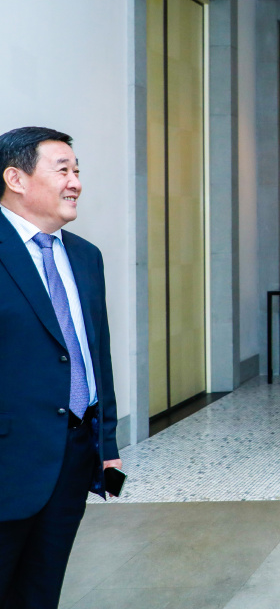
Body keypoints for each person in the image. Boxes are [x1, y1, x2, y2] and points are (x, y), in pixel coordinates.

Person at [0, 127, 122, 609]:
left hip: (72, 456)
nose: (76, 182)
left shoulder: (85, 257)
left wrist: (106, 446)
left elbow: (96, 357)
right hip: (8, 459)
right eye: (63, 170)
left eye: (77, 171)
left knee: (41, 590)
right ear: (16, 178)